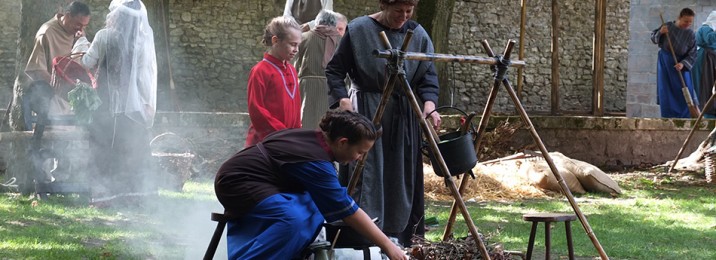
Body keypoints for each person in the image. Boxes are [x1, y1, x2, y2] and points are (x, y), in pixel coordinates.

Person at [215, 110, 407, 260]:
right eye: (360, 152)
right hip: (236, 182)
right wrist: (388, 246)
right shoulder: (316, 162)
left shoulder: (315, 140)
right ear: (342, 142)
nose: (360, 158)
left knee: (314, 209)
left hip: (266, 184)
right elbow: (348, 211)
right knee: (293, 220)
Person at [325, 0, 441, 247]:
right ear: (384, 5)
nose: (404, 16)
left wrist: (429, 105)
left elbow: (428, 76)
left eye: (409, 11)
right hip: (367, 110)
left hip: (403, 115)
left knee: (401, 175)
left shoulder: (417, 33)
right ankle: (362, 239)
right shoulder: (358, 30)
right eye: (399, 10)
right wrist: (343, 100)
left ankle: (400, 240)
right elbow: (334, 71)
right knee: (366, 172)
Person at [75, 0, 157, 196]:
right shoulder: (141, 40)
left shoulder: (104, 36)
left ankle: (105, 194)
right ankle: (134, 194)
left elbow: (87, 61)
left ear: (117, 15)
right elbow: (145, 76)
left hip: (106, 103)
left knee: (104, 147)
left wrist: (81, 41)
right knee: (130, 150)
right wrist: (147, 102)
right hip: (133, 106)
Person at [245, 16, 303, 147]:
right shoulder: (260, 71)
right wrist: (282, 134)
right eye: (292, 44)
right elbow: (256, 109)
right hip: (265, 142)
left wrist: (295, 135)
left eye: (298, 45)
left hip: (288, 141)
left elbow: (296, 108)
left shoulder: (292, 71)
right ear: (275, 40)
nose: (296, 50)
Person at [25, 1, 91, 117]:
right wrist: (62, 89)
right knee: (53, 135)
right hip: (51, 102)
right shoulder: (46, 33)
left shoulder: (78, 33)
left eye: (83, 27)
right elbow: (36, 70)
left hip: (74, 102)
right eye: (78, 24)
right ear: (68, 15)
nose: (80, 30)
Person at [295, 10, 347, 129]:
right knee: (328, 124)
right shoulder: (341, 40)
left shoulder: (304, 37)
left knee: (306, 120)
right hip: (332, 88)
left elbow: (294, 63)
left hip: (307, 86)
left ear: (318, 21)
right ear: (334, 24)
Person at [651, 8, 698, 118]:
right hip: (666, 64)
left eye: (690, 22)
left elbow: (693, 53)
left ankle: (685, 117)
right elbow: (653, 38)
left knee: (684, 91)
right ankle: (668, 116)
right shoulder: (668, 26)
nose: (688, 24)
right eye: (686, 21)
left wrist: (683, 64)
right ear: (679, 18)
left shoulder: (690, 34)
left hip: (681, 66)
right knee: (666, 91)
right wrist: (660, 32)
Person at [692, 11, 716, 118]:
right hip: (703, 62)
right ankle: (704, 112)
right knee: (704, 87)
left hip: (710, 61)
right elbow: (710, 40)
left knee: (710, 87)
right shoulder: (706, 28)